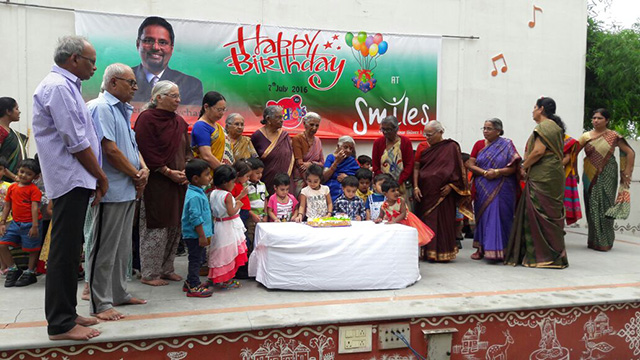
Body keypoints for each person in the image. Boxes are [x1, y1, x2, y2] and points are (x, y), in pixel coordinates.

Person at [33, 35, 105, 340]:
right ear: (73, 59)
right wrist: (101, 176)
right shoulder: (59, 87)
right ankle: (60, 324)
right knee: (63, 251)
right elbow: (76, 142)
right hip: (70, 178)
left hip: (75, 178)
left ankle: (68, 311)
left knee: (71, 247)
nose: (93, 68)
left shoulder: (66, 86)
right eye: (91, 61)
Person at [85, 63, 149, 321]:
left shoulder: (122, 110)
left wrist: (143, 169)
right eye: (130, 82)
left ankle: (119, 293)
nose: (135, 87)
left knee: (121, 248)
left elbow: (131, 147)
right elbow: (109, 150)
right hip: (109, 191)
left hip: (127, 189)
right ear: (113, 83)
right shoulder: (101, 108)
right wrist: (136, 174)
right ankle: (100, 304)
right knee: (103, 248)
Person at [135, 80, 191, 286]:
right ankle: (149, 273)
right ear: (159, 97)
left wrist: (186, 169)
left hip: (178, 182)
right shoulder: (147, 119)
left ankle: (167, 268)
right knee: (156, 228)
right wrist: (168, 172)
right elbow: (146, 150)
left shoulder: (179, 121)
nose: (178, 100)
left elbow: (186, 148)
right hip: (157, 183)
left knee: (174, 226)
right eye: (174, 96)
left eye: (178, 96)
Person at [504, 97, 568, 268]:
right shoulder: (556, 127)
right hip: (553, 174)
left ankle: (544, 256)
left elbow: (538, 151)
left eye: (534, 107)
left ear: (541, 109)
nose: (532, 110)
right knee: (550, 214)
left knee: (539, 214)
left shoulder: (544, 126)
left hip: (543, 174)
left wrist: (524, 165)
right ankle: (556, 255)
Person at [414, 120, 471, 262]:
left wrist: (451, 186)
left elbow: (458, 170)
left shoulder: (451, 147)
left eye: (430, 134)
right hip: (426, 193)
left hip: (444, 195)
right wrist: (416, 186)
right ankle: (428, 252)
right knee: (428, 222)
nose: (427, 137)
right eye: (425, 134)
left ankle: (444, 253)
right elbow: (417, 168)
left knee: (444, 223)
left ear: (440, 132)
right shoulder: (423, 147)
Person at [579, 108, 635, 251]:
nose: (595, 121)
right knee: (591, 205)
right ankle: (593, 241)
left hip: (608, 171)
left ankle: (605, 241)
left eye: (599, 118)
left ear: (607, 120)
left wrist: (626, 173)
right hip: (589, 173)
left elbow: (630, 152)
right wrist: (572, 171)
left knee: (605, 205)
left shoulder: (613, 136)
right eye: (594, 118)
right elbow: (572, 153)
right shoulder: (586, 136)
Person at [465, 118, 521, 261]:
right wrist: (484, 173)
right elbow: (470, 164)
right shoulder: (478, 145)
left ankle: (503, 249)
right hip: (483, 185)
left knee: (501, 216)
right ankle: (481, 248)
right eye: (483, 128)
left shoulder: (507, 145)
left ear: (498, 131)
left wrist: (497, 172)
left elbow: (514, 167)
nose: (485, 131)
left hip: (503, 185)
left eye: (489, 128)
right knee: (483, 216)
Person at [132, 16, 203, 105]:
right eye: (149, 41)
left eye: (162, 42)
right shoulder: (123, 81)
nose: (156, 47)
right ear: (138, 44)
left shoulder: (191, 85)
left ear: (171, 48)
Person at [0, 159, 42, 287]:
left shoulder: (34, 190)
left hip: (31, 223)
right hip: (15, 223)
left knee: (32, 248)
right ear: (18, 170)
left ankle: (30, 272)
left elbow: (35, 207)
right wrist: (2, 222)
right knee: (2, 244)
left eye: (28, 174)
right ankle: (13, 268)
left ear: (36, 177)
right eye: (22, 171)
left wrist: (35, 226)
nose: (23, 175)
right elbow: (7, 206)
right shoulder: (12, 187)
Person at [208, 165, 248, 289]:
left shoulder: (214, 193)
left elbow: (225, 206)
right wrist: (239, 205)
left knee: (219, 252)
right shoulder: (228, 195)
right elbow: (231, 211)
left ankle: (218, 277)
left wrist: (239, 196)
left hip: (219, 225)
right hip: (228, 227)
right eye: (233, 182)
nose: (234, 184)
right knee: (229, 252)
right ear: (226, 182)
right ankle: (227, 279)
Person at [180, 159, 214, 297]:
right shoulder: (194, 196)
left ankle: (189, 281)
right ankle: (193, 285)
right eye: (206, 174)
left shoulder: (198, 190)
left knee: (198, 258)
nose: (209, 177)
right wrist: (201, 235)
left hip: (199, 235)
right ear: (195, 178)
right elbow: (195, 218)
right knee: (195, 259)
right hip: (195, 235)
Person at [374, 179, 434, 246]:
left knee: (410, 240)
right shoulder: (384, 205)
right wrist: (379, 219)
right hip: (395, 224)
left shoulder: (401, 200)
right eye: (393, 191)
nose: (396, 192)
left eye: (397, 190)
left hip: (407, 221)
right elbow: (380, 216)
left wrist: (394, 221)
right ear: (385, 194)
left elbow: (403, 213)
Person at [251, 106, 295, 193]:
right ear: (268, 119)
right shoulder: (257, 136)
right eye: (278, 117)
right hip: (267, 181)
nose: (282, 120)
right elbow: (254, 161)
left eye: (282, 117)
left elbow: (290, 158)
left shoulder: (284, 135)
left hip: (285, 182)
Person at [372, 116, 415, 200]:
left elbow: (409, 164)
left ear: (396, 129)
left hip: (401, 184)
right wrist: (384, 183)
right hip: (382, 186)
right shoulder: (378, 143)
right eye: (383, 129)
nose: (385, 132)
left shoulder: (405, 142)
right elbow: (375, 165)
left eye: (388, 129)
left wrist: (398, 182)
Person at [192, 92, 234, 170]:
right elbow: (207, 156)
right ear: (206, 107)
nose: (222, 113)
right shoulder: (201, 126)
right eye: (219, 110)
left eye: (224, 110)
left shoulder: (218, 127)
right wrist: (225, 172)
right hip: (209, 176)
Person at [291, 112, 324, 196]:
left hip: (316, 179)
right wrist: (310, 183)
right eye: (311, 124)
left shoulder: (318, 140)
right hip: (301, 179)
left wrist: (311, 164)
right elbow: (300, 164)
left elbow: (322, 163)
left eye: (317, 125)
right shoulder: (297, 139)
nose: (314, 128)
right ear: (304, 124)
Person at [231, 160, 252, 279]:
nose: (248, 179)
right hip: (238, 214)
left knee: (245, 241)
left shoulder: (241, 185)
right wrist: (242, 195)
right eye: (247, 176)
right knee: (243, 241)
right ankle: (239, 270)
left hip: (244, 214)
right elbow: (230, 201)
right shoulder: (233, 185)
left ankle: (243, 267)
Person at [323, 136, 360, 201]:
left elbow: (358, 178)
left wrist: (347, 178)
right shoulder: (331, 158)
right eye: (345, 147)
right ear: (338, 146)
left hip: (348, 189)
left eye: (351, 148)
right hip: (331, 188)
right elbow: (324, 178)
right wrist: (336, 162)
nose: (348, 150)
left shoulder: (352, 161)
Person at [0, 97, 27, 182]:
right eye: (16, 108)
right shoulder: (1, 131)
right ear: (8, 111)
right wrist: (14, 177)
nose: (19, 111)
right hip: (5, 183)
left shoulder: (13, 133)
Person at [245, 158, 268, 253]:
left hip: (261, 218)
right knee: (250, 239)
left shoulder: (262, 185)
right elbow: (244, 204)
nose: (260, 175)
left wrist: (265, 214)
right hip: (250, 219)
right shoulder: (245, 186)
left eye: (261, 173)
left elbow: (265, 199)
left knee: (261, 241)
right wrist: (252, 215)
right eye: (257, 173)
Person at [563, 134, 582, 225]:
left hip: (566, 173)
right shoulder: (545, 137)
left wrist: (576, 172)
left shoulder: (569, 141)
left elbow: (572, 156)